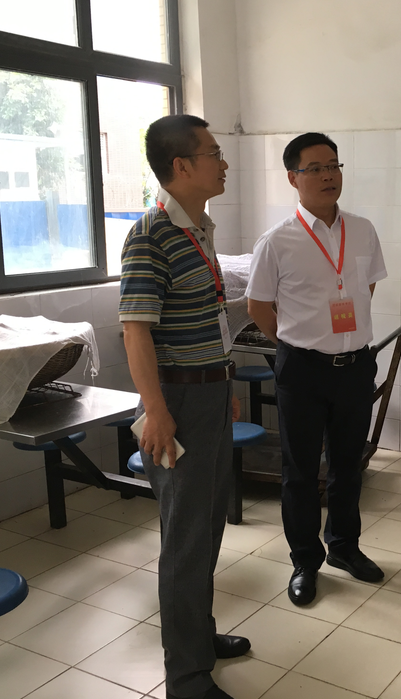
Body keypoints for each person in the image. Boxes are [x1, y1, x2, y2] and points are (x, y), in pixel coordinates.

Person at [120, 114, 249, 699]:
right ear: (181, 165)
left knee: (208, 524)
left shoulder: (198, 228)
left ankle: (199, 635)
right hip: (175, 399)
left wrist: (224, 384)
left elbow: (206, 319)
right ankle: (187, 676)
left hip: (208, 391)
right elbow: (136, 331)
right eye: (214, 153)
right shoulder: (150, 234)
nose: (224, 163)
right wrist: (157, 410)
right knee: (185, 537)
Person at [246, 132, 388, 606]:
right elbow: (258, 307)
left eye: (334, 166)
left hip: (355, 366)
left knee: (348, 464)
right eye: (316, 168)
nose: (329, 176)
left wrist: (342, 337)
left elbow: (366, 289)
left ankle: (345, 547)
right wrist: (298, 343)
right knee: (301, 471)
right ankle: (305, 561)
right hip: (302, 370)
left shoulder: (363, 230)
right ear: (294, 178)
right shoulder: (276, 240)